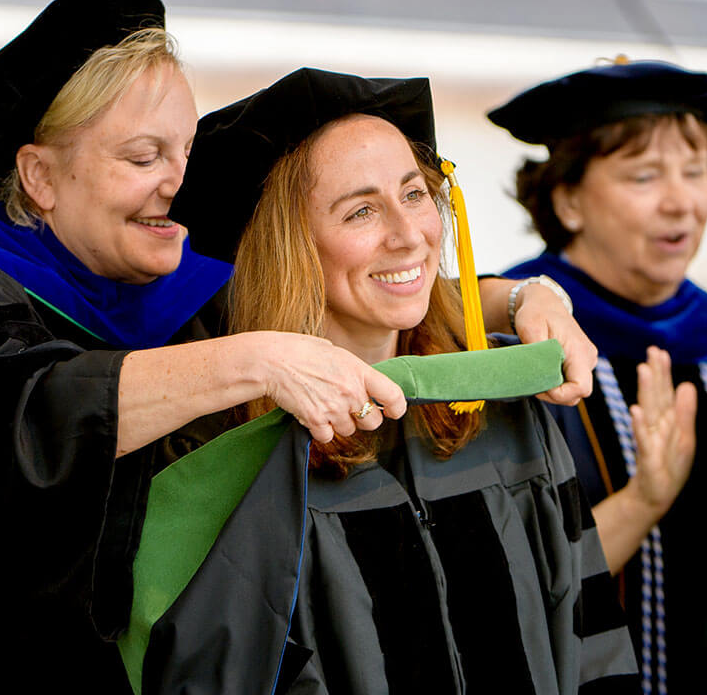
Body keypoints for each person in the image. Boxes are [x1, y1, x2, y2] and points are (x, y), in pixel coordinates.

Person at [0, 0, 598, 692]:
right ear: (40, 175)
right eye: (142, 157)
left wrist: (525, 297)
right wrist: (256, 356)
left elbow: (376, 285)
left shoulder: (169, 285)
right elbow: (37, 414)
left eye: (185, 151)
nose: (178, 182)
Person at [123, 68, 638, 694]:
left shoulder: (501, 404)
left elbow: (590, 643)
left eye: (416, 193)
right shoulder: (226, 458)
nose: (407, 235)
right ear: (293, 248)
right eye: (362, 210)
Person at [489, 60, 707, 693]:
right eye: (644, 176)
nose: (681, 202)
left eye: (696, 173)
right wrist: (645, 500)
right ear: (568, 200)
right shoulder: (511, 355)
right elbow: (511, 581)